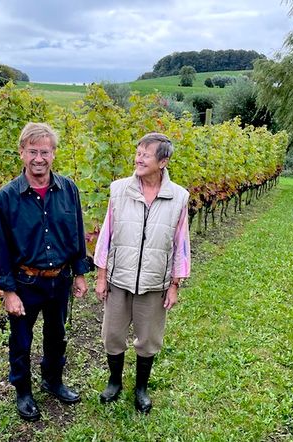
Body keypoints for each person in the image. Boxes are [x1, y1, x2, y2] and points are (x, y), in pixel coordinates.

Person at [0, 122, 90, 422]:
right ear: (21, 153)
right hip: (24, 282)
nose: (38, 158)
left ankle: (53, 380)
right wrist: (8, 291)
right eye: (32, 151)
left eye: (44, 152)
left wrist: (80, 273)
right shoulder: (7, 198)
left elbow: (76, 232)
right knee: (21, 340)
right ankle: (23, 391)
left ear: (53, 154)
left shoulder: (68, 189)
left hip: (59, 279)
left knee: (56, 335)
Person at [93, 132, 190, 414]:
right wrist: (101, 276)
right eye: (138, 152)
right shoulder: (119, 190)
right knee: (112, 334)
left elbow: (181, 243)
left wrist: (175, 284)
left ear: (163, 161)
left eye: (146, 154)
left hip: (154, 282)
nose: (138, 158)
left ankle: (141, 388)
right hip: (119, 279)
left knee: (148, 339)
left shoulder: (178, 197)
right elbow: (106, 236)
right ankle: (114, 382)